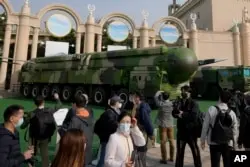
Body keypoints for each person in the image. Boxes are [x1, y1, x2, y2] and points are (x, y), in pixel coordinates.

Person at [21, 93, 61, 167]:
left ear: (35, 103)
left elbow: (23, 126)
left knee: (31, 154)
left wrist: (24, 119)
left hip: (33, 138)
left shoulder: (31, 113)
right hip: (45, 137)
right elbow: (58, 106)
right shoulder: (49, 110)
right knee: (45, 155)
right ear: (43, 102)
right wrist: (57, 98)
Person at [200, 89, 238, 167]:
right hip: (228, 143)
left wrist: (202, 140)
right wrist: (234, 144)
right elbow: (235, 130)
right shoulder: (232, 112)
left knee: (215, 164)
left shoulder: (211, 109)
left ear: (219, 98)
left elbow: (205, 126)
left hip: (214, 142)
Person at [172, 85, 202, 167]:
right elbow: (174, 114)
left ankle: (198, 165)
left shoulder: (194, 103)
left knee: (195, 150)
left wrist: (182, 114)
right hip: (181, 131)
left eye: (185, 91)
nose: (183, 93)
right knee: (180, 152)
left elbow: (193, 116)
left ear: (189, 93)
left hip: (191, 132)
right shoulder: (179, 102)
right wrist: (175, 111)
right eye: (182, 91)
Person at [94, 95, 124, 167]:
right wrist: (122, 126)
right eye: (119, 102)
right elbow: (113, 125)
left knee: (107, 158)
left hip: (110, 139)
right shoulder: (109, 113)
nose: (120, 104)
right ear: (115, 103)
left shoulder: (116, 111)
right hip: (107, 139)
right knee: (103, 159)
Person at [67, 94, 95, 166]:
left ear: (75, 105)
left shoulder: (75, 120)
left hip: (77, 155)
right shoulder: (91, 118)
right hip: (87, 152)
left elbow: (70, 139)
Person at [130, 91, 154, 167]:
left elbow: (147, 122)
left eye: (134, 97)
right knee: (137, 150)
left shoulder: (142, 108)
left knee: (141, 151)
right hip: (137, 131)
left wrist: (150, 133)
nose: (132, 98)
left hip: (141, 132)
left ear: (138, 98)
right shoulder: (137, 106)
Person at [154, 90, 175, 164]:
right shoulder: (172, 104)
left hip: (163, 125)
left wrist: (159, 91)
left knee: (163, 142)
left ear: (162, 97)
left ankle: (164, 158)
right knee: (171, 140)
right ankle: (172, 157)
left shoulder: (161, 104)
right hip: (171, 124)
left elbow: (155, 97)